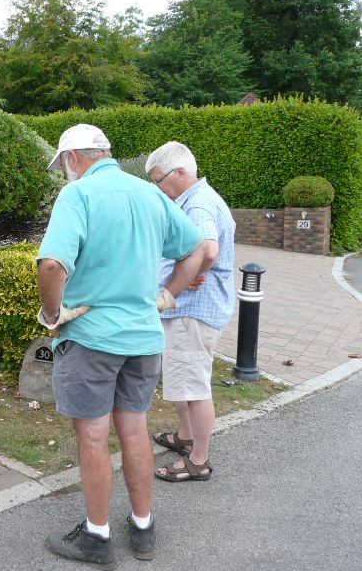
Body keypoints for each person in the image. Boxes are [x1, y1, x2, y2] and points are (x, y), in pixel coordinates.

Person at [37, 124, 210, 568]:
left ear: (73, 159)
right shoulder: (149, 194)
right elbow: (200, 251)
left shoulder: (78, 196)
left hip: (93, 337)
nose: (65, 173)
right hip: (143, 338)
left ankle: (97, 538)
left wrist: (53, 315)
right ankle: (143, 526)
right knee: (134, 429)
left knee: (94, 436)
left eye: (64, 166)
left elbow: (52, 262)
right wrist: (167, 294)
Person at [145, 141, 235, 482]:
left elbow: (208, 248)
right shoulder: (197, 199)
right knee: (183, 380)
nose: (157, 187)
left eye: (159, 180)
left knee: (195, 387)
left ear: (180, 172)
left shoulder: (197, 203)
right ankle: (185, 437)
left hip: (191, 312)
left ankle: (199, 460)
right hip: (187, 313)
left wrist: (189, 275)